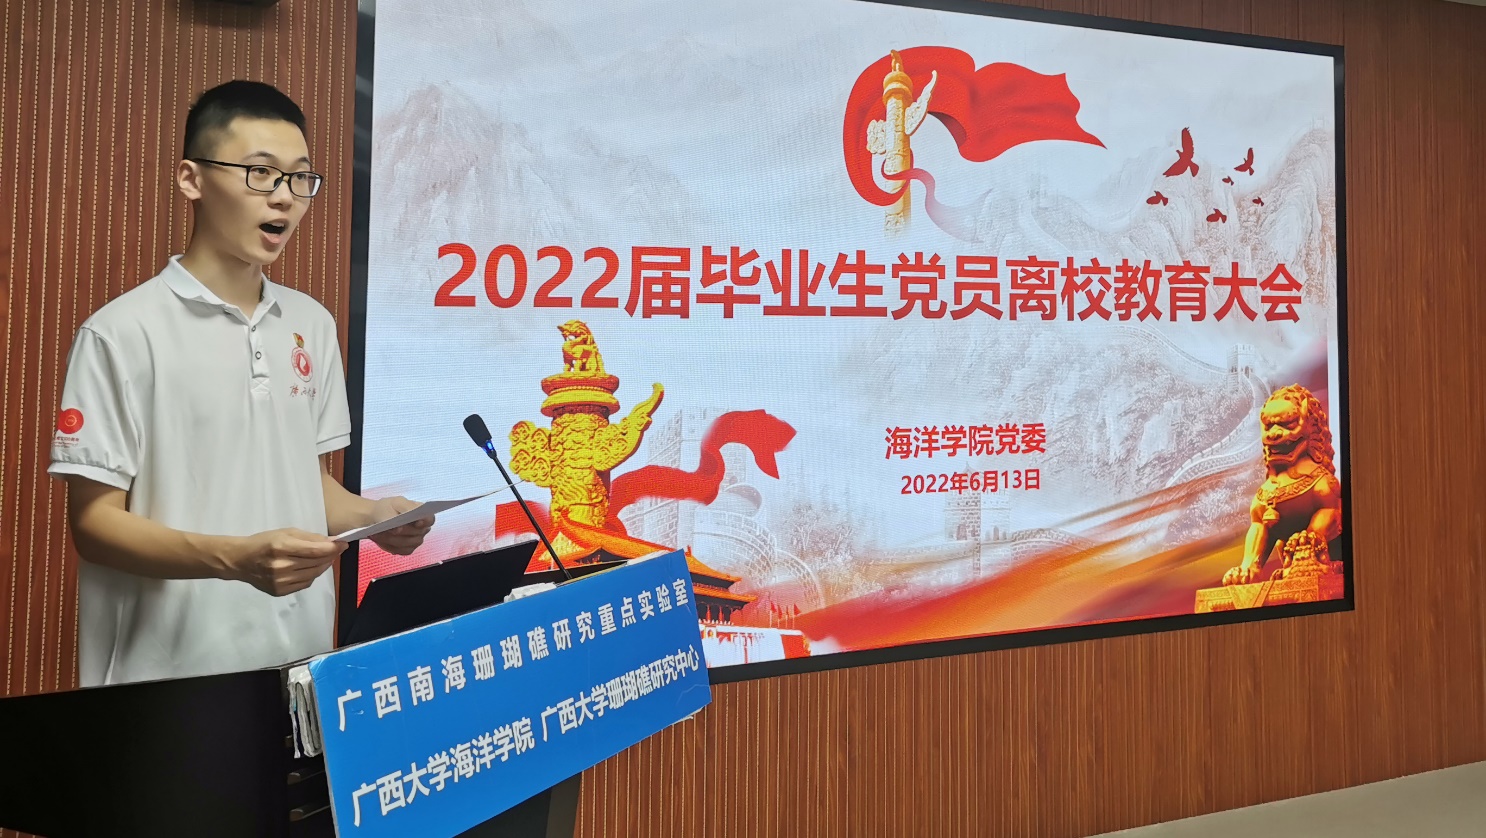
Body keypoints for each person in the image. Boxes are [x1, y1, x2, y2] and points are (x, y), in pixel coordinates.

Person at [48, 80, 432, 687]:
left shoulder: (310, 323)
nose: (284, 198)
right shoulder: (120, 333)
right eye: (260, 173)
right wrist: (235, 558)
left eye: (299, 178)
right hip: (165, 680)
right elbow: (94, 526)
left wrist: (375, 516)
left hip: (300, 664)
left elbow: (304, 483)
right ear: (191, 179)